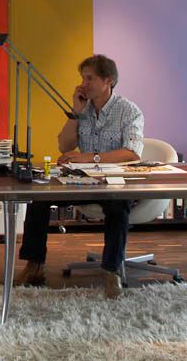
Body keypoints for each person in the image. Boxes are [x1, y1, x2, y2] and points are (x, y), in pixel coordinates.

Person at [15, 54, 144, 299]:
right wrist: (75, 113)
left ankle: (111, 271)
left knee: (118, 207)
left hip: (115, 184)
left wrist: (90, 157)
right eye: (82, 78)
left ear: (108, 81)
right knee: (39, 199)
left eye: (89, 78)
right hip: (83, 181)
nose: (83, 84)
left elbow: (132, 153)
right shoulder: (84, 110)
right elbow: (64, 146)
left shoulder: (129, 111)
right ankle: (35, 267)